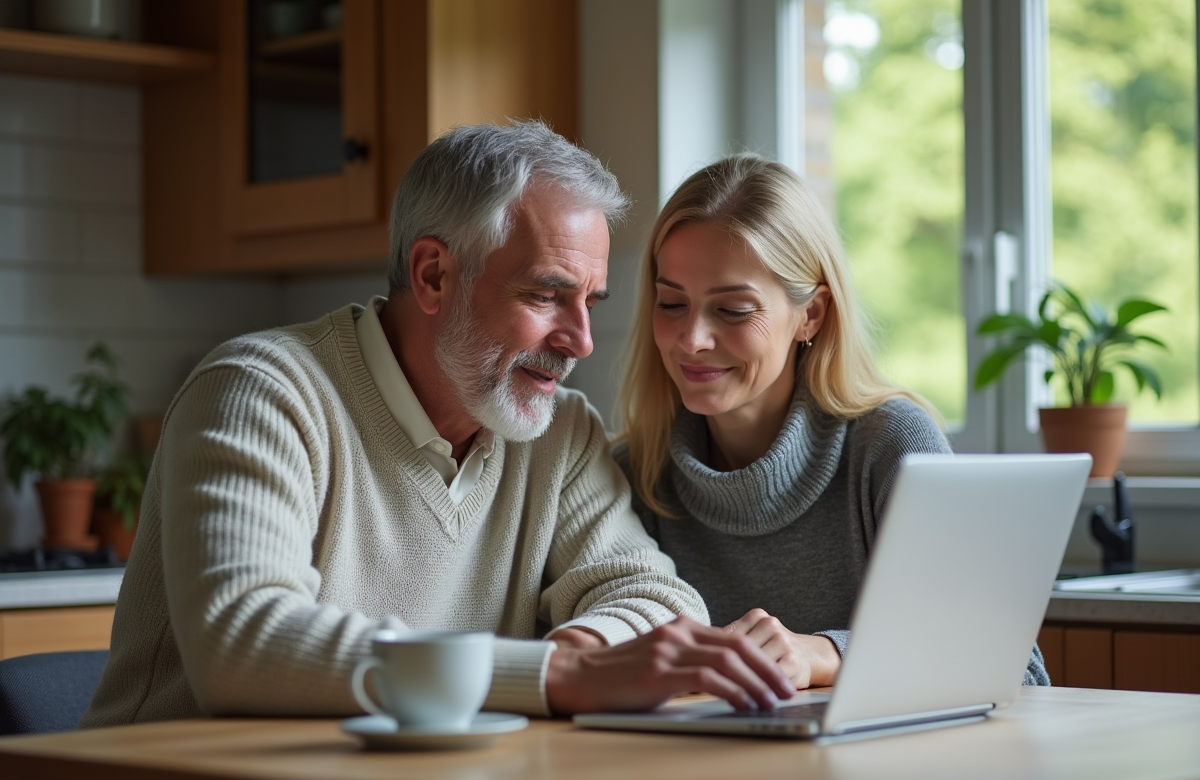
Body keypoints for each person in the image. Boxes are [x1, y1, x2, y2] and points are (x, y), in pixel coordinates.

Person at [82, 123, 795, 728]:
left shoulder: (558, 430)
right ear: (431, 276)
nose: (581, 340)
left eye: (589, 301)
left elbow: (656, 598)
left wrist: (587, 652)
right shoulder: (260, 393)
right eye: (547, 295)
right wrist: (556, 675)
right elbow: (245, 643)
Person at [613, 153, 1049, 689]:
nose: (693, 339)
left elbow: (1019, 673)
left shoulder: (891, 445)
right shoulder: (631, 473)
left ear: (811, 315)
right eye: (671, 304)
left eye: (732, 310)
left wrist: (826, 654)